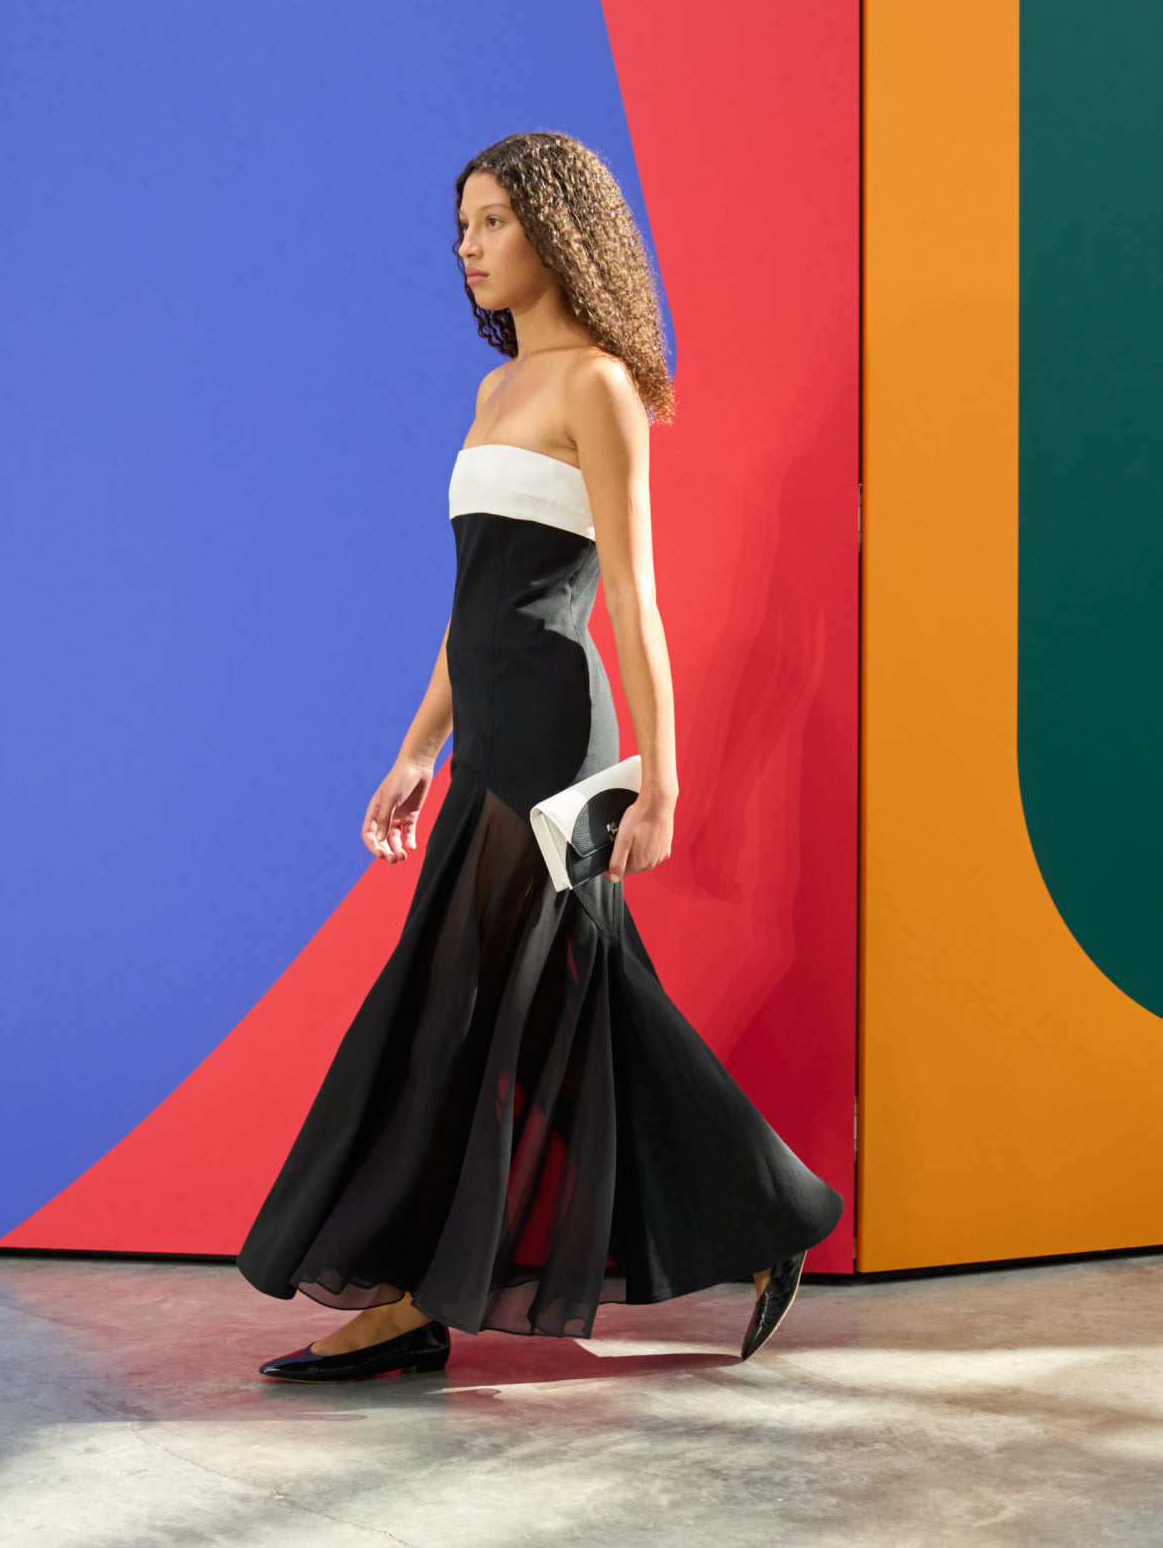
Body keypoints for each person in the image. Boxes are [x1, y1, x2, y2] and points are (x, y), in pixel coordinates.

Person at [236, 131, 843, 1383]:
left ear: (556, 232)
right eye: (461, 225)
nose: (469, 247)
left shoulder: (599, 387)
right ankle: (764, 1212)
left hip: (557, 740)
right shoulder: (494, 391)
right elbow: (474, 606)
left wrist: (662, 780)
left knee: (467, 1001)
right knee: (570, 997)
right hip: (490, 736)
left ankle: (407, 1303)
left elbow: (629, 597)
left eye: (495, 221)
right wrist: (416, 749)